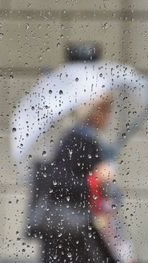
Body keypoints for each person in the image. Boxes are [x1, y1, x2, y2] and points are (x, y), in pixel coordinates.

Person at [30, 95, 118, 263]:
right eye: (106, 110)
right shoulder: (76, 140)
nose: (109, 116)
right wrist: (95, 180)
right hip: (68, 233)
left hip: (79, 231)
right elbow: (57, 183)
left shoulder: (91, 140)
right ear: (94, 112)